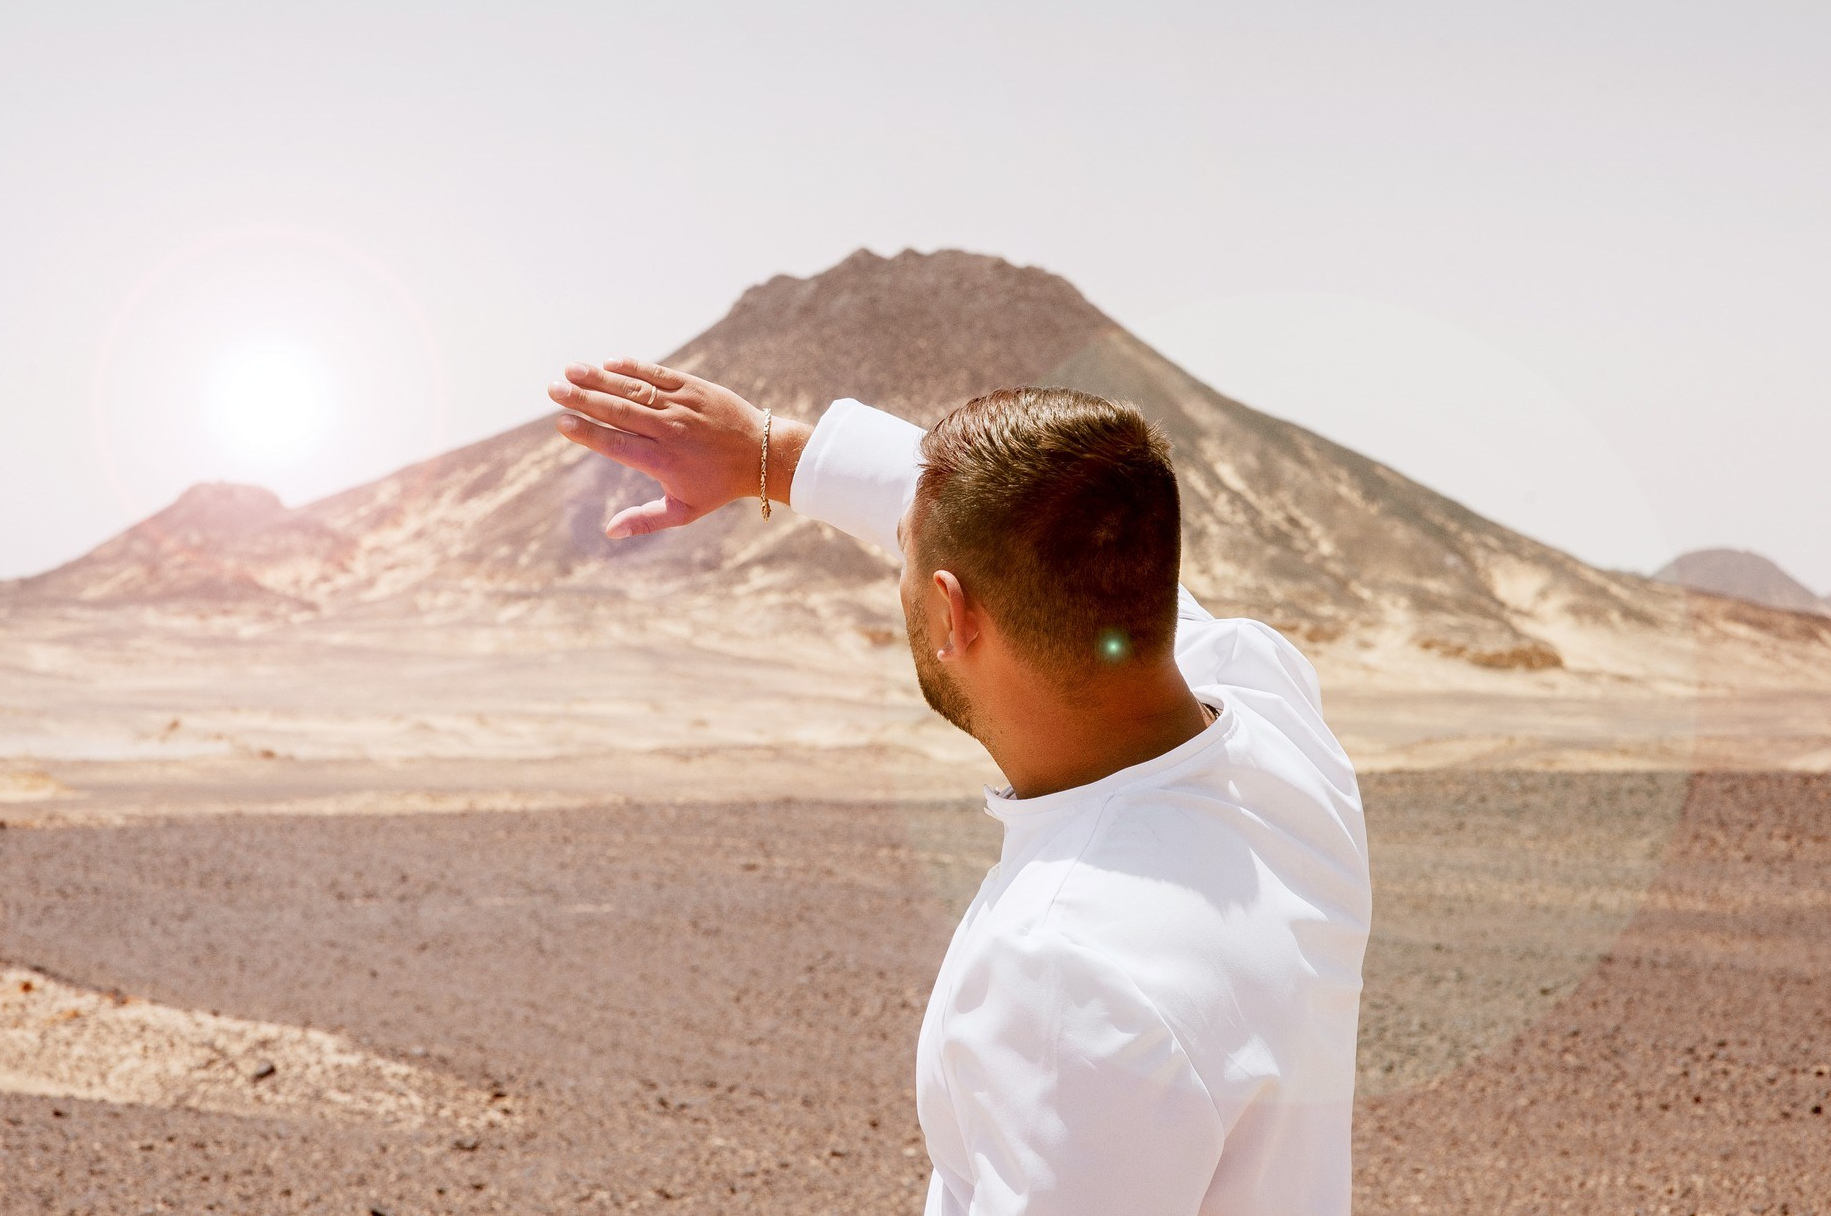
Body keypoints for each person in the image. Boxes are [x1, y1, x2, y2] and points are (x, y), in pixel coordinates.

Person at [547, 357, 1372, 1216]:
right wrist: (773, 453)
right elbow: (1028, 515)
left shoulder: (1066, 966)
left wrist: (780, 457)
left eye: (905, 559)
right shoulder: (1276, 717)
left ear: (950, 611)